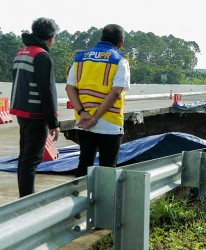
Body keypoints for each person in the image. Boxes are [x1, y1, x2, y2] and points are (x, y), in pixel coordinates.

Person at [66, 24, 130, 177]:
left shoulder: (80, 58)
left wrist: (83, 113)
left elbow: (70, 88)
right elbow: (115, 92)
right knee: (107, 168)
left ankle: (79, 198)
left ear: (100, 38)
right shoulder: (120, 61)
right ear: (121, 43)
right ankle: (104, 200)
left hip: (83, 121)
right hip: (109, 122)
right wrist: (95, 118)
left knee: (84, 163)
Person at [9, 17, 60, 197]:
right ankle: (27, 199)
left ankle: (25, 195)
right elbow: (46, 91)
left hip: (22, 111)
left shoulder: (23, 52)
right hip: (36, 114)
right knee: (31, 159)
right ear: (51, 36)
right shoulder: (42, 56)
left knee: (25, 156)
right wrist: (53, 122)